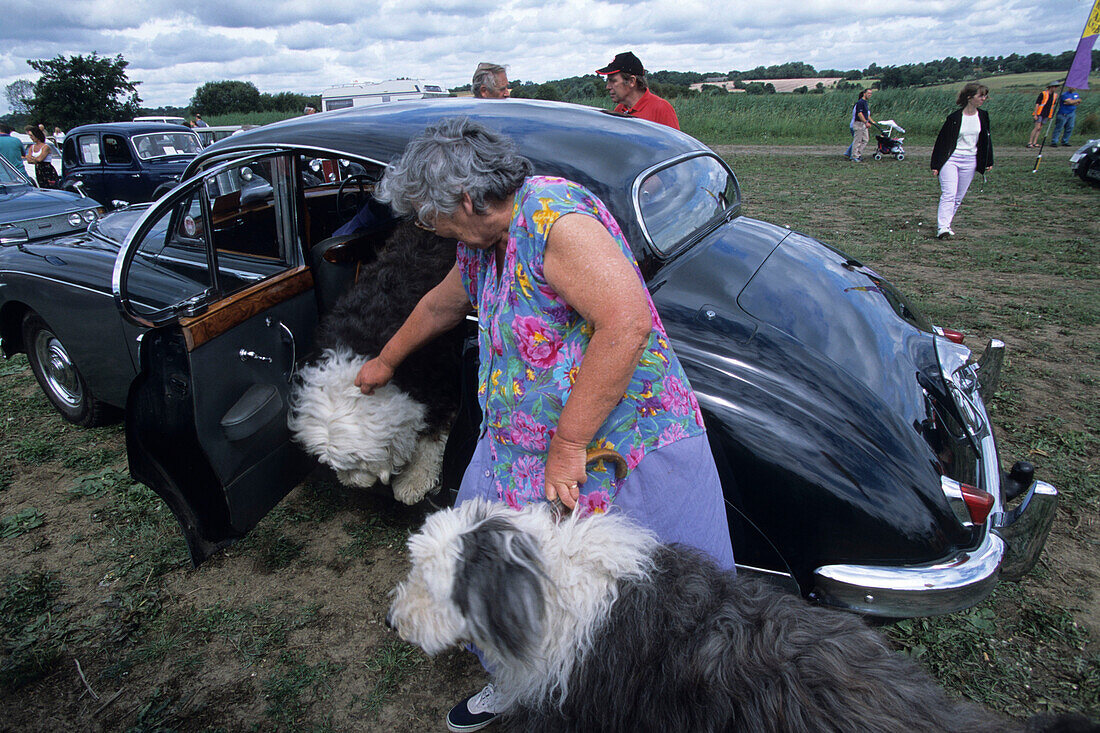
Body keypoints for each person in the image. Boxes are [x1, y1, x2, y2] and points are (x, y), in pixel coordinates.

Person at [355, 117, 733, 732]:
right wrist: (384, 361)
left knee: (659, 593)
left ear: (468, 200)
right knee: (499, 571)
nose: (426, 227)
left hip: (619, 441)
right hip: (522, 447)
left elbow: (627, 324)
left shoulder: (557, 223)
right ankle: (521, 680)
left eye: (429, 215)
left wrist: (570, 443)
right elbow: (440, 304)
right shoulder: (482, 240)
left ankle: (679, 699)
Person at [930, 83, 993, 240]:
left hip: (970, 160)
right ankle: (942, 228)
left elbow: (986, 140)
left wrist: (988, 160)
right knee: (949, 194)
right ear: (969, 97)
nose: (984, 99)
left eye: (985, 96)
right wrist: (936, 165)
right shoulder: (955, 118)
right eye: (981, 96)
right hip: (951, 160)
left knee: (958, 196)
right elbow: (942, 142)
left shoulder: (983, 116)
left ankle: (947, 224)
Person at [595, 51, 679, 129]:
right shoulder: (619, 110)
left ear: (632, 81)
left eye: (613, 81)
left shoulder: (661, 109)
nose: (608, 87)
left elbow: (675, 144)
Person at [1027, 82, 1059, 148]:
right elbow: (1037, 104)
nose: (1056, 88)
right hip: (1040, 112)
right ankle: (1030, 142)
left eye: (1056, 87)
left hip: (1046, 113)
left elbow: (1052, 105)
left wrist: (1050, 115)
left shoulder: (1055, 95)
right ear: (1050, 87)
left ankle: (1035, 142)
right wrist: (1035, 114)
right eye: (1055, 87)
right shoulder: (1043, 94)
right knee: (1037, 127)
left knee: (1040, 128)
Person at [847, 89, 875, 162]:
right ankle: (854, 156)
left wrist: (872, 122)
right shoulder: (860, 102)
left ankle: (858, 154)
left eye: (871, 94)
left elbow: (866, 114)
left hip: (864, 124)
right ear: (864, 94)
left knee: (865, 140)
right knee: (857, 140)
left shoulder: (865, 102)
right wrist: (866, 122)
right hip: (859, 123)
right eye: (868, 93)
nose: (870, 95)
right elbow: (859, 114)